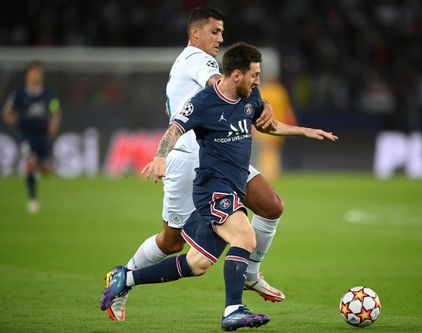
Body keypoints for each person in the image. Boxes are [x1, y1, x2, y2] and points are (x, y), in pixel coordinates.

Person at [101, 41, 338, 331]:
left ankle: (125, 278)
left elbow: (267, 125)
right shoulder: (203, 102)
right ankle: (233, 309)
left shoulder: (251, 97)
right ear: (236, 74)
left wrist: (304, 131)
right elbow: (175, 128)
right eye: (254, 75)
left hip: (233, 186)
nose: (258, 81)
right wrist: (160, 158)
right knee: (245, 237)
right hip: (213, 186)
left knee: (196, 264)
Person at [103, 6, 283, 322]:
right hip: (188, 160)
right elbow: (221, 84)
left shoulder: (190, 61)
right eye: (215, 31)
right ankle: (123, 278)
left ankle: (250, 274)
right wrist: (259, 99)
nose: (220, 38)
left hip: (218, 155)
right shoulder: (198, 60)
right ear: (195, 33)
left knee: (270, 205)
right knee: (171, 242)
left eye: (222, 32)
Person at [2, 61, 61, 213]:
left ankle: (41, 170)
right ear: (27, 76)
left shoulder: (49, 94)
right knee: (30, 163)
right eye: (32, 73)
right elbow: (7, 111)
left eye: (38, 73)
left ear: (41, 76)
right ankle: (32, 199)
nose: (35, 76)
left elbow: (55, 109)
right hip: (26, 135)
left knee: (45, 169)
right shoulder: (19, 94)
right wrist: (13, 120)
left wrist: (54, 124)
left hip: (42, 136)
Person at [254, 70, 297, 182]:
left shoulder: (263, 91)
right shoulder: (281, 91)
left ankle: (268, 173)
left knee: (266, 150)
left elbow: (257, 110)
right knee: (273, 151)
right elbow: (288, 111)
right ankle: (273, 171)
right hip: (279, 126)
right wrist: (291, 125)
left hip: (264, 126)